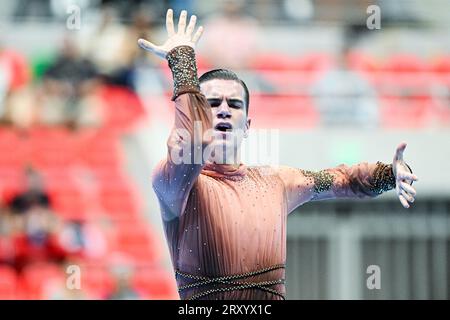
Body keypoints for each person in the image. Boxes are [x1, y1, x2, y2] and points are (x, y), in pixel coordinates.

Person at [138, 9, 418, 300]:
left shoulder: (276, 183)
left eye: (233, 104)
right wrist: (183, 63)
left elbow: (342, 179)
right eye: (211, 103)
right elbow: (191, 144)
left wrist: (388, 174)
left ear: (246, 126)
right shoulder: (177, 184)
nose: (223, 109)